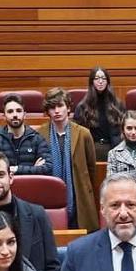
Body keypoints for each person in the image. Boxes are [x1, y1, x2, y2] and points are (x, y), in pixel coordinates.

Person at [36, 87, 99, 231]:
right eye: (52, 107)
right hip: (49, 195)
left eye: (60, 106)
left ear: (68, 108)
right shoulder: (40, 133)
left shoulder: (83, 134)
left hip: (79, 195)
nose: (56, 111)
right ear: (47, 111)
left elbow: (91, 168)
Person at [73, 66, 126, 161]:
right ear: (91, 82)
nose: (100, 81)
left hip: (115, 149)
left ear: (108, 82)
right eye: (97, 78)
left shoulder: (117, 105)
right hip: (91, 151)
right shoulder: (83, 107)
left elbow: (124, 129)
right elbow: (77, 134)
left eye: (103, 78)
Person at [0, 93, 52, 178]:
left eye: (18, 111)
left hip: (32, 188)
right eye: (10, 111)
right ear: (4, 116)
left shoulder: (37, 139)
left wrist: (15, 169)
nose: (15, 115)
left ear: (24, 114)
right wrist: (33, 168)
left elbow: (48, 168)